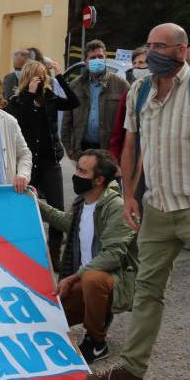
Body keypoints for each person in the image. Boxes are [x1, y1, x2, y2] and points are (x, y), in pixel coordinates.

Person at [91, 23, 190, 380]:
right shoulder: (140, 90)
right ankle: (132, 368)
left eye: (161, 47)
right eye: (149, 46)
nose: (152, 55)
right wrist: (130, 194)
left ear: (181, 51)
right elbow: (131, 145)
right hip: (158, 209)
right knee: (147, 291)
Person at [36, 150, 137, 363]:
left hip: (109, 281)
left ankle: (97, 342)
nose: (76, 175)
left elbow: (113, 255)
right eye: (77, 169)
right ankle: (96, 318)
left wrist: (73, 278)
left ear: (99, 180)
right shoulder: (83, 202)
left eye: (83, 171)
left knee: (92, 278)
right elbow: (68, 223)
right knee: (46, 321)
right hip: (82, 281)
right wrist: (39, 206)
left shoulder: (115, 207)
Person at [8, 60, 79, 264]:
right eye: (35, 76)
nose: (39, 81)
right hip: (29, 162)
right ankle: (27, 253)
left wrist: (59, 77)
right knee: (27, 208)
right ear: (27, 78)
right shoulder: (17, 101)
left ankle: (55, 256)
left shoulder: (50, 98)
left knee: (57, 209)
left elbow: (73, 102)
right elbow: (20, 120)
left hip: (50, 161)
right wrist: (29, 94)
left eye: (42, 76)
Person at [64, 40, 129, 155]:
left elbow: (128, 121)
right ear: (85, 61)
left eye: (100, 56)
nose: (97, 60)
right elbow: (67, 120)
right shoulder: (75, 85)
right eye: (92, 58)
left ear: (105, 58)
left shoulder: (121, 85)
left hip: (109, 150)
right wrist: (69, 147)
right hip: (82, 148)